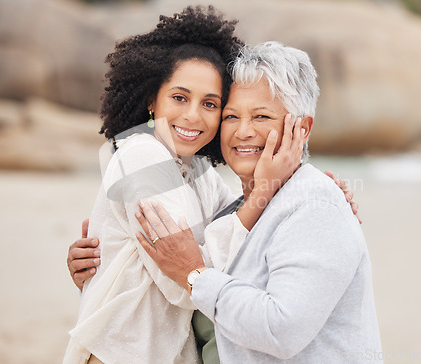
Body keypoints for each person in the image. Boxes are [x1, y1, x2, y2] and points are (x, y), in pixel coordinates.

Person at [63, 7, 306, 364]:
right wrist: (266, 191)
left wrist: (304, 187)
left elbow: (243, 224)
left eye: (210, 104)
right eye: (180, 97)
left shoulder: (199, 171)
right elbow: (185, 284)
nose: (193, 115)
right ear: (151, 100)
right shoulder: (142, 153)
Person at [134, 41, 382, 363]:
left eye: (261, 116)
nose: (243, 131)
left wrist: (195, 274)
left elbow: (282, 330)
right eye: (231, 116)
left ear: (302, 128)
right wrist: (100, 266)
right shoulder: (232, 212)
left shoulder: (314, 204)